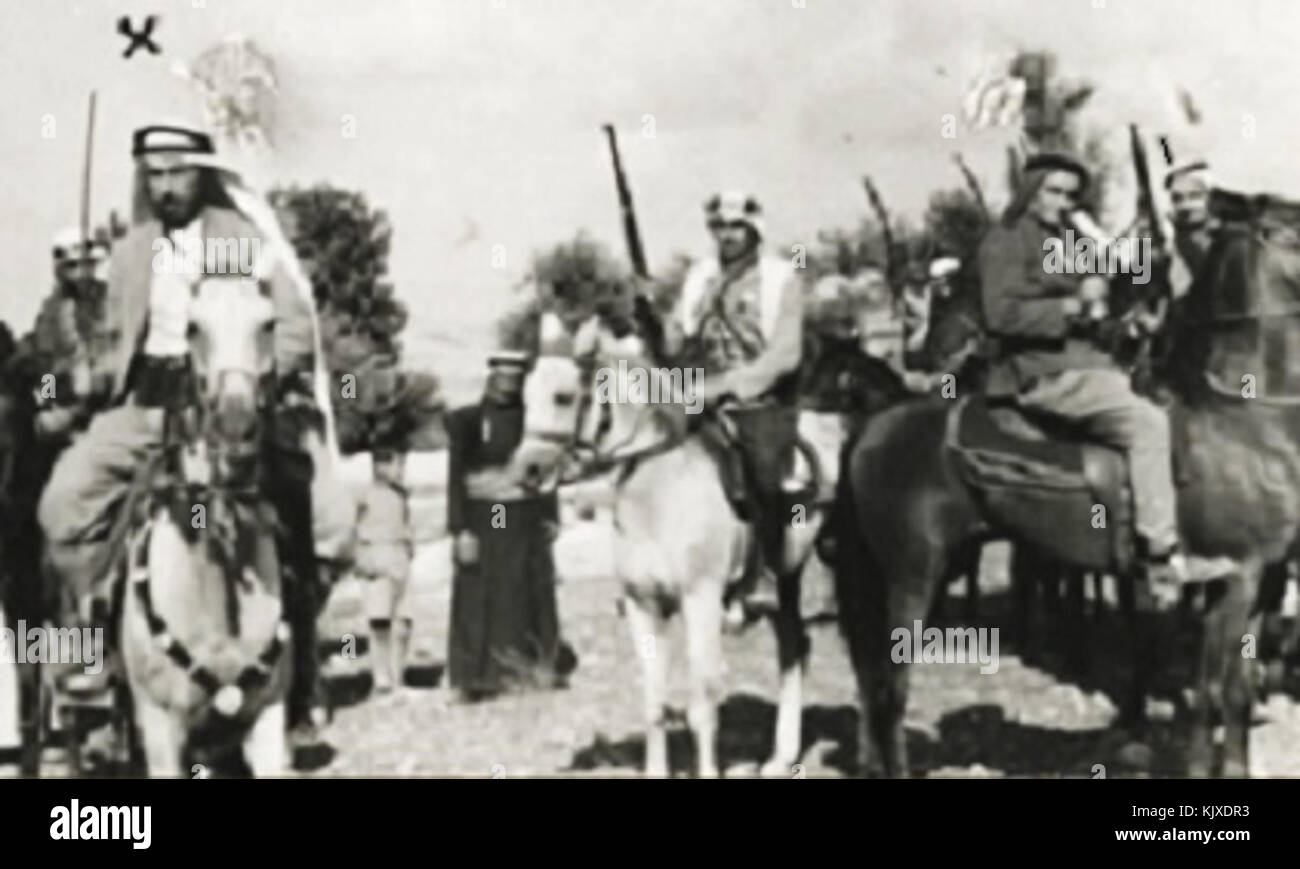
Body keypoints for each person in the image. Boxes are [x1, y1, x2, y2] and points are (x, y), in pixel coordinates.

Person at [36, 122, 354, 720]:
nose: (164, 187)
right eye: (152, 175)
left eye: (176, 172)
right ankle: (94, 648)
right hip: (142, 406)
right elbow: (116, 345)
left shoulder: (235, 241)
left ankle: (298, 663)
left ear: (202, 172)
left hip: (225, 407)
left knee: (305, 514)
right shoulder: (132, 251)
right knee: (62, 505)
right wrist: (84, 376)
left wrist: (259, 381)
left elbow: (284, 327)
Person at [978, 151, 1185, 588]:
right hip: (1043, 372)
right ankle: (1158, 552)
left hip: (1091, 364)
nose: (1063, 202)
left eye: (1072, 194)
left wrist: (1126, 316)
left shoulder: (1070, 241)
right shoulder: (1006, 240)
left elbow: (1109, 293)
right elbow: (999, 315)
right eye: (1054, 191)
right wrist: (1073, 306)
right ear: (1030, 191)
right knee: (1147, 425)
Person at [664, 191, 805, 615]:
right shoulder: (699, 277)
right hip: (696, 388)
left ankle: (764, 571)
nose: (726, 236)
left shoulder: (782, 277)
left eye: (735, 227)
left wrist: (729, 386)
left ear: (753, 230)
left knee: (763, 470)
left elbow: (786, 353)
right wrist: (654, 316)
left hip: (758, 395)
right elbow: (676, 339)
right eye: (719, 227)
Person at [445, 351, 572, 700]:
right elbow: (455, 478)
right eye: (503, 378)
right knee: (482, 591)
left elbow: (545, 471)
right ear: (491, 378)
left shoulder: (534, 422)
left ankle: (531, 668)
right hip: (485, 517)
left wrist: (551, 515)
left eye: (516, 379)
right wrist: (460, 530)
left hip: (525, 517)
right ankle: (476, 676)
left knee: (526, 589)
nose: (508, 385)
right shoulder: (467, 421)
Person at [356, 448, 414, 695]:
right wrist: (361, 558)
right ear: (379, 466)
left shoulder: (401, 495)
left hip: (399, 556)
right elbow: (355, 530)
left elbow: (407, 524)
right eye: (394, 464)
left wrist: (410, 546)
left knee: (404, 621)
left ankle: (398, 674)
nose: (399, 471)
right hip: (376, 556)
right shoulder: (364, 496)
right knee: (379, 620)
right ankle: (380, 678)